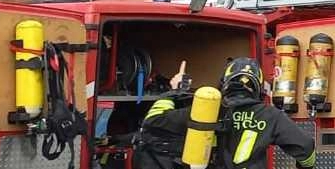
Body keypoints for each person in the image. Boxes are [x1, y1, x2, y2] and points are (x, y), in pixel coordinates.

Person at [132, 58, 316, 169]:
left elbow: (153, 123)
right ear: (258, 88)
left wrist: (174, 93)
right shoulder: (270, 115)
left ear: (225, 82)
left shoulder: (206, 110)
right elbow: (306, 147)